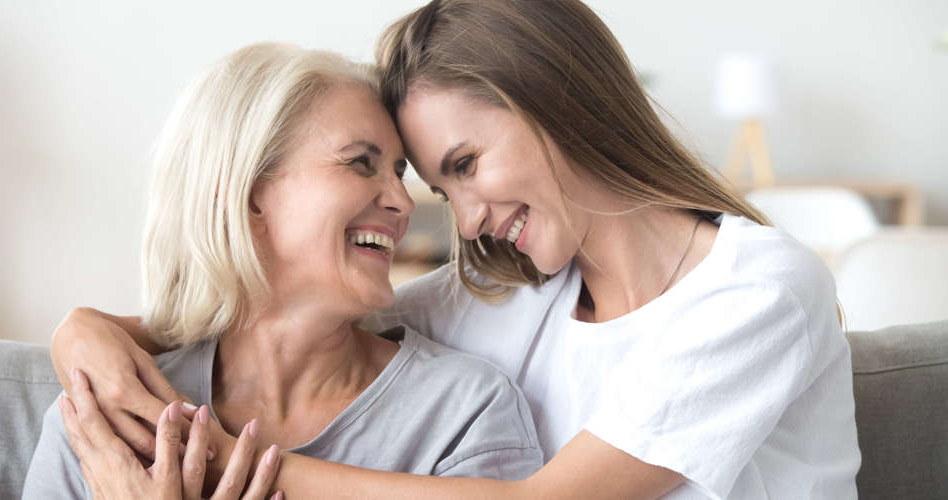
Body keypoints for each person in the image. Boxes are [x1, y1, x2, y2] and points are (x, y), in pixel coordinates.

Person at [50, 1, 861, 498]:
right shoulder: (510, 293)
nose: (464, 220)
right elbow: (287, 311)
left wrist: (224, 462)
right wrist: (88, 328)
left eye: (465, 165)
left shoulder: (756, 287)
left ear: (556, 101)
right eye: (446, 187)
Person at [22, 41, 544, 500]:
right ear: (249, 196)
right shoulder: (106, 417)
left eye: (399, 173)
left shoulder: (463, 414)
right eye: (361, 162)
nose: (401, 203)